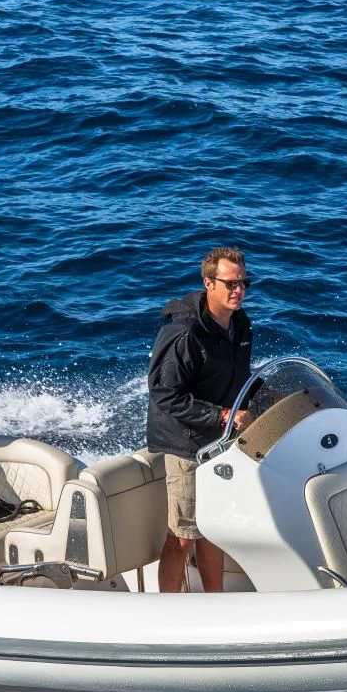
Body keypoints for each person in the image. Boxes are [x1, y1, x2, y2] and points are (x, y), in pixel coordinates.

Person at [147, 245, 254, 592]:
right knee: (183, 536)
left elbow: (240, 375)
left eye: (243, 283)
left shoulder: (239, 325)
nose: (239, 291)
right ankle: (168, 610)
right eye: (231, 284)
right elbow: (164, 394)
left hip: (220, 441)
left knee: (213, 528)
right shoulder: (184, 333)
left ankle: (215, 602)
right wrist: (222, 414)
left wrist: (266, 395)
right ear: (209, 283)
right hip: (186, 444)